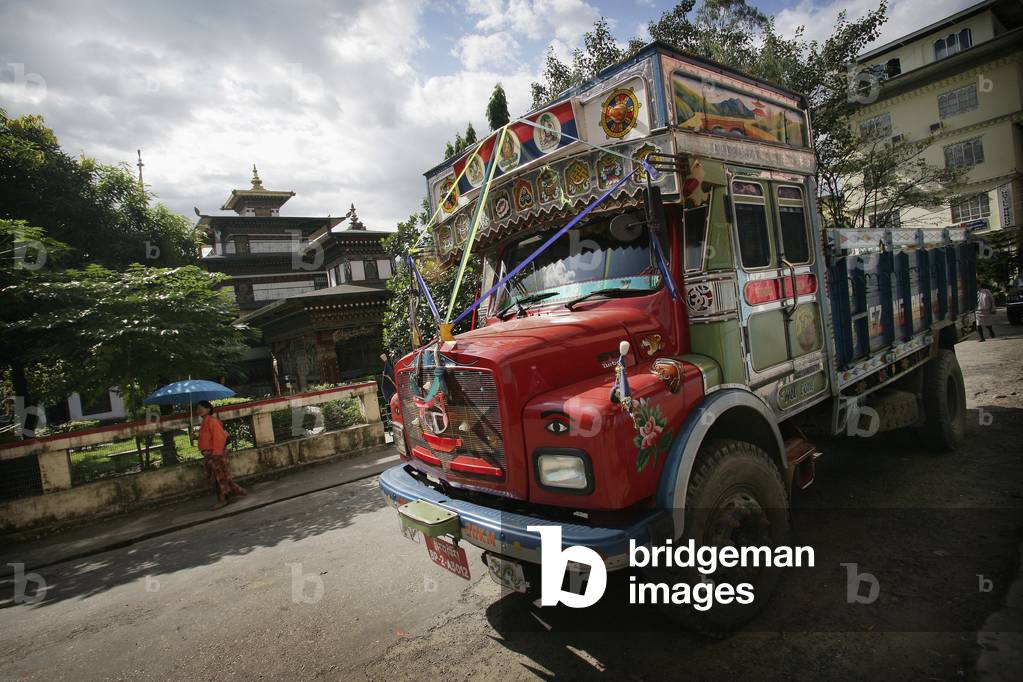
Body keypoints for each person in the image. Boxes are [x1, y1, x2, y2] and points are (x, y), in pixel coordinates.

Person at [196, 400, 246, 509]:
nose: (198, 411)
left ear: (208, 409)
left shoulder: (212, 421)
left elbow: (219, 437)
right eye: (197, 409)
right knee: (217, 478)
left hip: (215, 454)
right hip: (209, 454)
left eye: (201, 408)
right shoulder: (205, 422)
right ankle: (226, 497)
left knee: (218, 479)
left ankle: (222, 500)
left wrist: (216, 453)